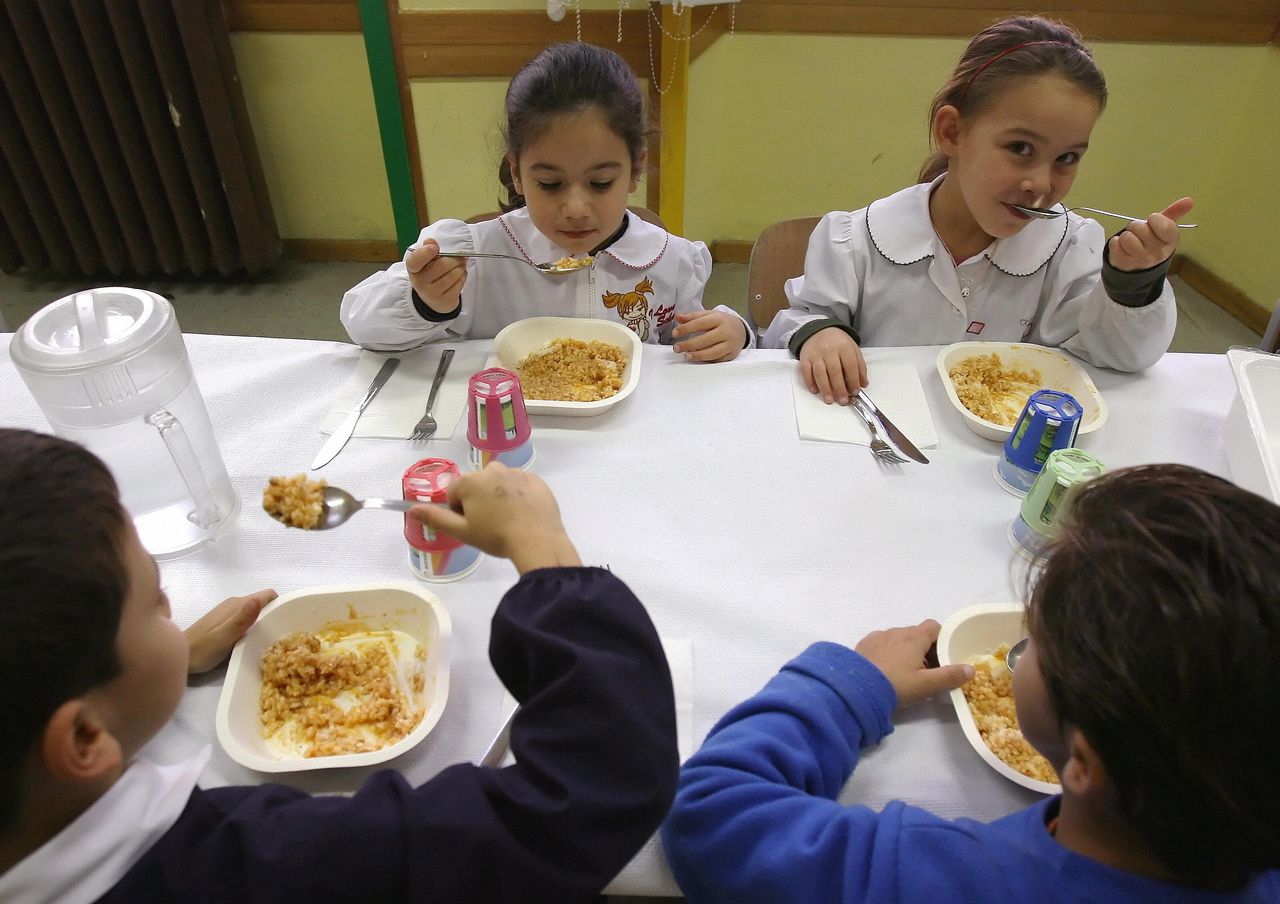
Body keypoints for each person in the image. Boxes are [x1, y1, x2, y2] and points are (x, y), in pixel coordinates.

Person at [0, 428, 678, 903]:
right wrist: (545, 549)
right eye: (156, 602)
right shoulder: (255, 869)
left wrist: (152, 669)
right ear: (84, 739)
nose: (172, 609)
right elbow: (590, 790)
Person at [661, 463, 1280, 902]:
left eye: (1035, 640)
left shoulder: (938, 879)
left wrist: (848, 686)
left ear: (1086, 763)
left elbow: (710, 814)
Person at [767, 16, 1192, 405]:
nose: (1042, 184)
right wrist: (818, 332)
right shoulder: (855, 240)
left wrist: (1133, 285)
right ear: (952, 132)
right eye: (1020, 149)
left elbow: (1121, 359)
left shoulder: (1070, 247)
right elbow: (797, 319)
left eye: (1066, 158)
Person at [342, 42, 752, 363]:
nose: (575, 208)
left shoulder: (671, 261)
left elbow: (689, 342)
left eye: (601, 182)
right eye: (550, 183)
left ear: (636, 170)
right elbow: (362, 327)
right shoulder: (473, 256)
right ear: (518, 173)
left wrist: (735, 332)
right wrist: (425, 302)